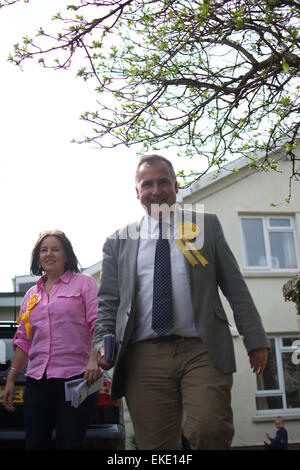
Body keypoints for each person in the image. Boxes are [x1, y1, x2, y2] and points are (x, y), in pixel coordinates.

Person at [92, 154, 269, 450]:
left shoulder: (204, 227)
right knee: (156, 447)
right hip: (143, 355)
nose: (156, 190)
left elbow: (234, 286)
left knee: (209, 429)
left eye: (163, 182)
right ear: (137, 192)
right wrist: (101, 342)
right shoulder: (118, 241)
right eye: (147, 184)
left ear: (176, 185)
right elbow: (108, 302)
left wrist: (255, 338)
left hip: (202, 348)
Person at [3, 230, 101, 450]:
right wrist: (11, 378)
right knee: (35, 445)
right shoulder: (31, 295)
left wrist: (93, 359)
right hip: (37, 382)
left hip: (76, 379)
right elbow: (24, 340)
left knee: (69, 444)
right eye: (43, 250)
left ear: (66, 255)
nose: (49, 254)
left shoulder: (84, 284)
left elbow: (99, 324)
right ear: (38, 257)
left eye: (55, 249)